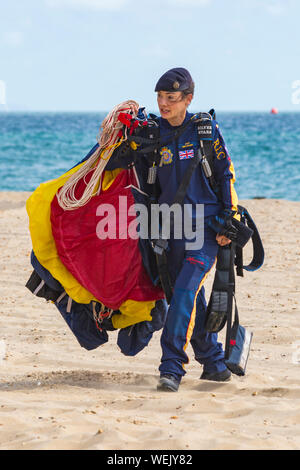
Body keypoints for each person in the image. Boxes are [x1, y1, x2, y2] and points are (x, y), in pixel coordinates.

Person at [151, 67, 239, 392]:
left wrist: (229, 220)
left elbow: (224, 173)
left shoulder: (205, 131)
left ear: (188, 98)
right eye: (160, 97)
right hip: (171, 231)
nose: (164, 104)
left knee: (186, 292)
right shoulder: (154, 132)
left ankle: (171, 367)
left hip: (206, 229)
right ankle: (215, 364)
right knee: (186, 299)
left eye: (171, 98)